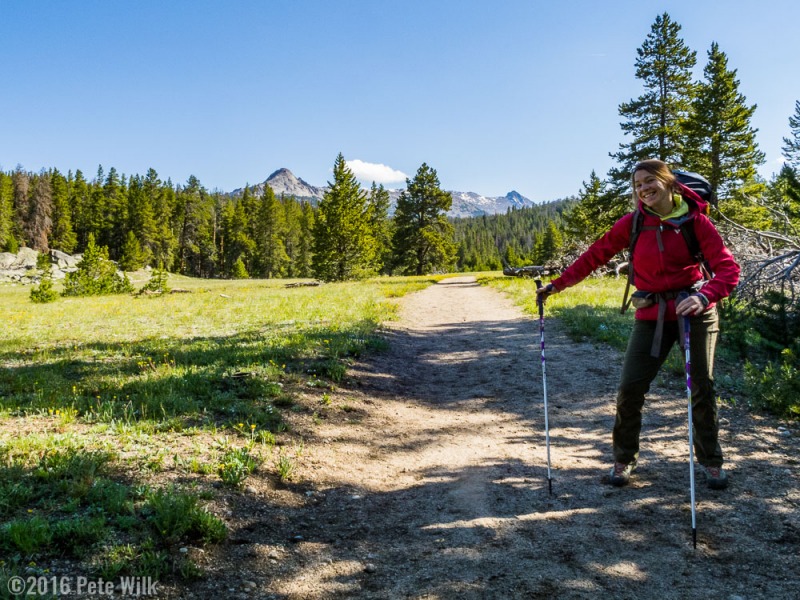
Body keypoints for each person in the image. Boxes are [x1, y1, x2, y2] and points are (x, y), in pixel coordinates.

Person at [537, 159, 740, 489]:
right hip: (651, 316)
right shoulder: (633, 224)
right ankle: (624, 458)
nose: (643, 189)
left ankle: (711, 461)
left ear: (668, 181)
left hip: (695, 314)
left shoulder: (696, 222)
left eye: (649, 181)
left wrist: (705, 297)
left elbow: (728, 270)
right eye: (637, 185)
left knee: (702, 386)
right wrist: (558, 285)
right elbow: (595, 255)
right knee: (630, 388)